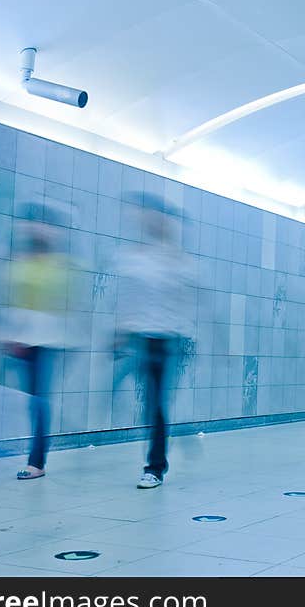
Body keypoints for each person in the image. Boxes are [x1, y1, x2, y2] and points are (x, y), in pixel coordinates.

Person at [114, 197, 196, 489]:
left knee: (157, 402)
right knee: (150, 403)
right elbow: (130, 298)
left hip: (171, 342)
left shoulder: (181, 261)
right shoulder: (134, 257)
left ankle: (155, 467)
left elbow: (193, 304)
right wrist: (122, 330)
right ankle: (174, 437)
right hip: (142, 340)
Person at [0, 218, 69, 480]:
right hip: (17, 340)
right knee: (27, 401)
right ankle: (31, 458)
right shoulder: (17, 262)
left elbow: (60, 305)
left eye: (44, 224)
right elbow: (11, 299)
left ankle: (36, 462)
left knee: (38, 402)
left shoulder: (59, 266)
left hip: (44, 342)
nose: (38, 228)